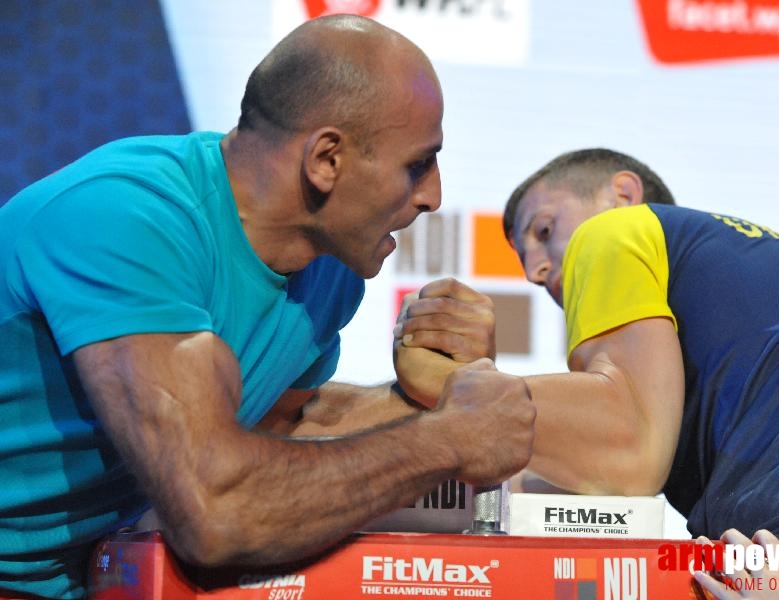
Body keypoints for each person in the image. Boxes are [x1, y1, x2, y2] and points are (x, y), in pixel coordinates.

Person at [0, 15, 536, 600]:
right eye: (417, 164)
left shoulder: (330, 273)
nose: (433, 195)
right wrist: (449, 439)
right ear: (326, 160)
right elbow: (217, 511)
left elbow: (279, 438)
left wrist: (434, 395)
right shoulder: (126, 216)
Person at [398, 148, 779, 598]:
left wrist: (452, 387)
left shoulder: (615, 230)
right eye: (523, 255)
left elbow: (629, 456)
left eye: (545, 231)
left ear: (624, 193)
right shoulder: (755, 278)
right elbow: (603, 475)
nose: (534, 269)